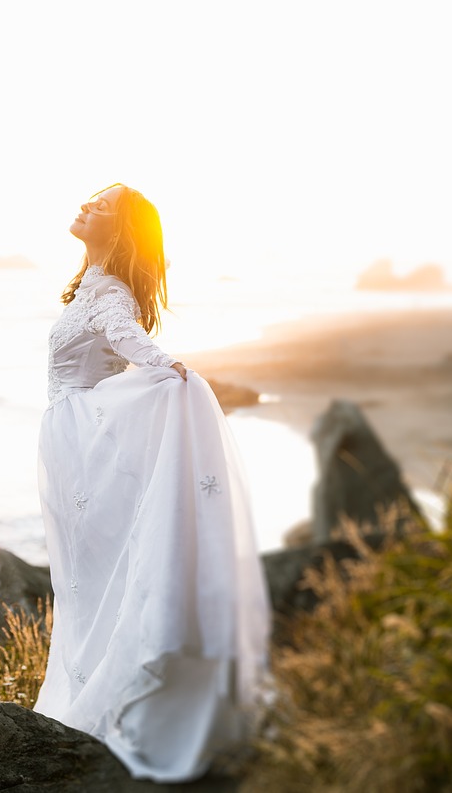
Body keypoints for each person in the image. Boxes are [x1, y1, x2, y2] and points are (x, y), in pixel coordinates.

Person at [33, 183, 270, 782]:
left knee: (96, 574)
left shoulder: (107, 290)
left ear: (119, 231)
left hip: (84, 441)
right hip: (72, 441)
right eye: (90, 199)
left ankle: (116, 696)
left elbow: (125, 336)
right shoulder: (89, 284)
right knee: (84, 578)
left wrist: (166, 367)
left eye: (101, 207)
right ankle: (93, 684)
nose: (85, 207)